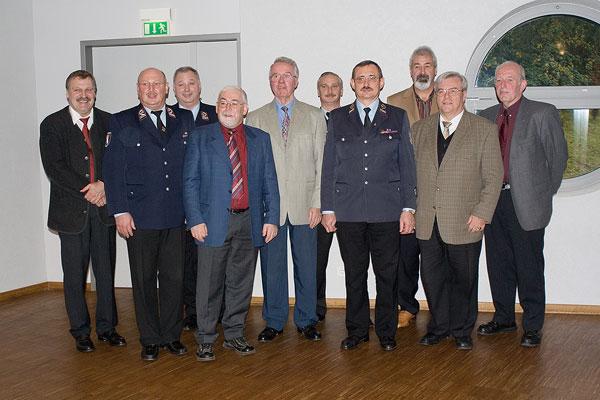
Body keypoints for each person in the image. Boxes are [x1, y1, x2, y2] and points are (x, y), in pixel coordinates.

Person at [321, 60, 417, 351]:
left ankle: (387, 331)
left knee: (387, 275)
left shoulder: (397, 117)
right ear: (352, 84)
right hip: (348, 211)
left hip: (387, 210)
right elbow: (329, 166)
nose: (366, 83)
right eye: (360, 78)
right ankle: (357, 330)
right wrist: (328, 208)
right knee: (355, 274)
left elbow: (407, 165)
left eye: (372, 77)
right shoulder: (338, 117)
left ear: (381, 82)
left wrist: (408, 208)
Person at [103, 67, 195, 361]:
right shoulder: (122, 121)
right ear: (138, 89)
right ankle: (150, 338)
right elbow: (113, 171)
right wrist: (120, 211)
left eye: (157, 84)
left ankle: (171, 335)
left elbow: (192, 166)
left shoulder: (183, 119)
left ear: (167, 89)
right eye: (146, 84)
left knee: (174, 279)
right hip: (140, 216)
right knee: (143, 281)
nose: (152, 89)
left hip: (176, 215)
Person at [183, 86, 280, 361]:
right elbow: (189, 182)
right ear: (216, 108)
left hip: (249, 221)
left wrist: (272, 218)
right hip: (211, 222)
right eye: (223, 102)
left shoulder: (260, 139)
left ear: (244, 109)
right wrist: (195, 220)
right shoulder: (200, 137)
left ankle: (234, 334)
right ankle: (205, 338)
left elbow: (270, 182)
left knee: (241, 282)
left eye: (234, 103)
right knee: (208, 284)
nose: (228, 107)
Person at [478, 61, 568, 348]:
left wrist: (542, 194)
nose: (503, 85)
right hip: (494, 202)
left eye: (509, 79)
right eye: (498, 80)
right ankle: (504, 318)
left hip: (528, 205)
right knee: (498, 264)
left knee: (529, 267)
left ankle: (532, 325)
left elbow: (558, 159)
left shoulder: (542, 113)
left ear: (523, 84)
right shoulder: (486, 116)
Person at [412, 71, 503, 350]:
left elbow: (494, 176)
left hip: (466, 220)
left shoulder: (483, 129)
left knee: (464, 279)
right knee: (432, 278)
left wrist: (482, 213)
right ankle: (439, 327)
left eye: (453, 91)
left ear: (464, 95)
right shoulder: (420, 129)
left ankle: (462, 330)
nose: (446, 97)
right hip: (427, 219)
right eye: (441, 91)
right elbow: (409, 174)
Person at [39, 70, 125, 353]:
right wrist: (90, 189)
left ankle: (107, 328)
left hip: (103, 212)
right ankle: (80, 331)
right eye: (78, 90)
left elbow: (118, 162)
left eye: (89, 90)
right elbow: (54, 167)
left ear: (95, 93)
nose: (84, 95)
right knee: (74, 277)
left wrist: (105, 185)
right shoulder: (52, 124)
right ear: (68, 94)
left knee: (105, 273)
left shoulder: (110, 122)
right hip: (71, 214)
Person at [246, 56, 327, 342]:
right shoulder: (255, 118)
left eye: (286, 75)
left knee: (307, 266)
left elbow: (322, 164)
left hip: (306, 205)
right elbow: (253, 170)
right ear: (270, 81)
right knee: (272, 268)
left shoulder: (314, 116)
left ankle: (307, 320)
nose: (281, 81)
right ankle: (274, 321)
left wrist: (317, 203)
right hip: (270, 209)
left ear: (297, 80)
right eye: (275, 76)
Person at [387, 46, 439, 328]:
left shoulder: (447, 98)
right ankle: (406, 306)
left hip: (437, 190)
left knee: (434, 257)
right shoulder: (394, 102)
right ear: (410, 71)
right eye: (417, 66)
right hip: (404, 191)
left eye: (427, 65)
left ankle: (440, 308)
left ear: (435, 70)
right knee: (405, 256)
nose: (422, 71)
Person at [172, 66, 218, 331]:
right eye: (181, 84)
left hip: (210, 202)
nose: (187, 89)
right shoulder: (166, 117)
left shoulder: (216, 114)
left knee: (212, 261)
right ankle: (191, 312)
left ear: (200, 86)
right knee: (184, 261)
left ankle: (215, 310)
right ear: (173, 89)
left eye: (191, 83)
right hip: (177, 202)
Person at [315, 71, 343, 321]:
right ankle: (315, 309)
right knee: (316, 261)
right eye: (324, 86)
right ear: (318, 91)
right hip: (319, 202)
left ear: (342, 90)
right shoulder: (310, 120)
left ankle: (359, 312)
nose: (330, 91)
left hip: (349, 202)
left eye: (335, 86)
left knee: (356, 263)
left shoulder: (352, 119)